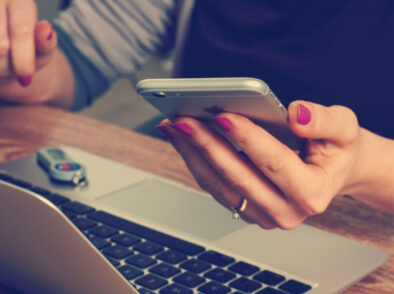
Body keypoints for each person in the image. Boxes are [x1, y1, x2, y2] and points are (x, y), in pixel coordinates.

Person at [0, 0, 393, 229]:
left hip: (365, 231)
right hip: (183, 193)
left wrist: (366, 164)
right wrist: (16, 57)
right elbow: (80, 53)